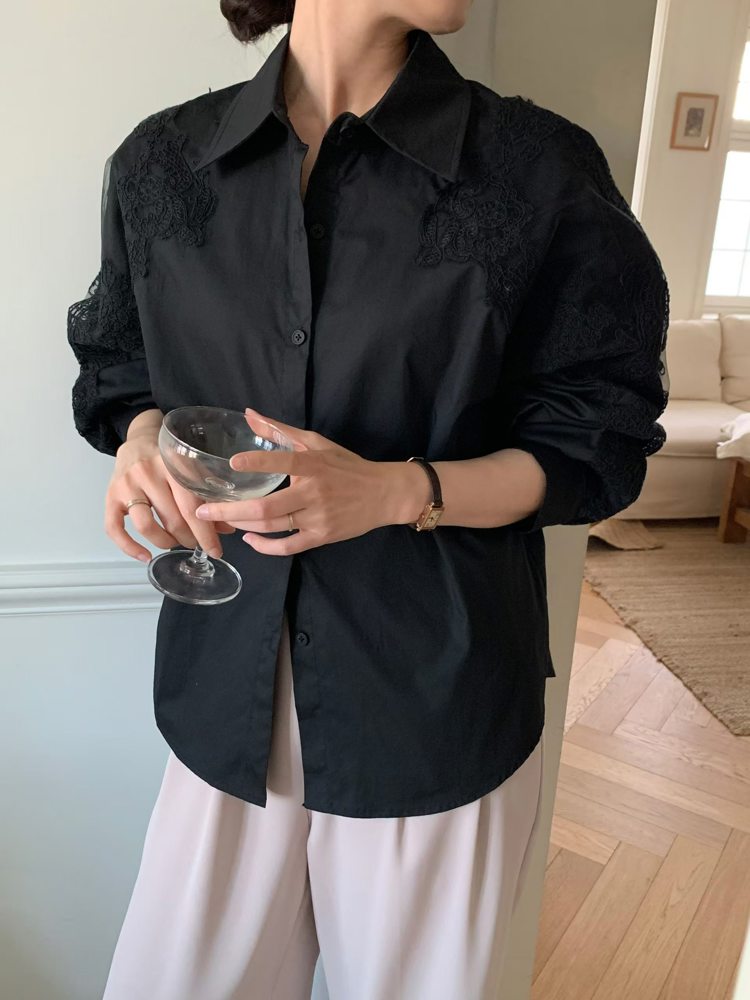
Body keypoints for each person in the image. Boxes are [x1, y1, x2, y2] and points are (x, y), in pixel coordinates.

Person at [66, 1, 670, 997]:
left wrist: (398, 491)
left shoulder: (536, 173)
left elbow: (595, 441)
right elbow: (122, 370)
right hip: (224, 692)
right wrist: (141, 445)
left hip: (434, 703)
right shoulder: (163, 164)